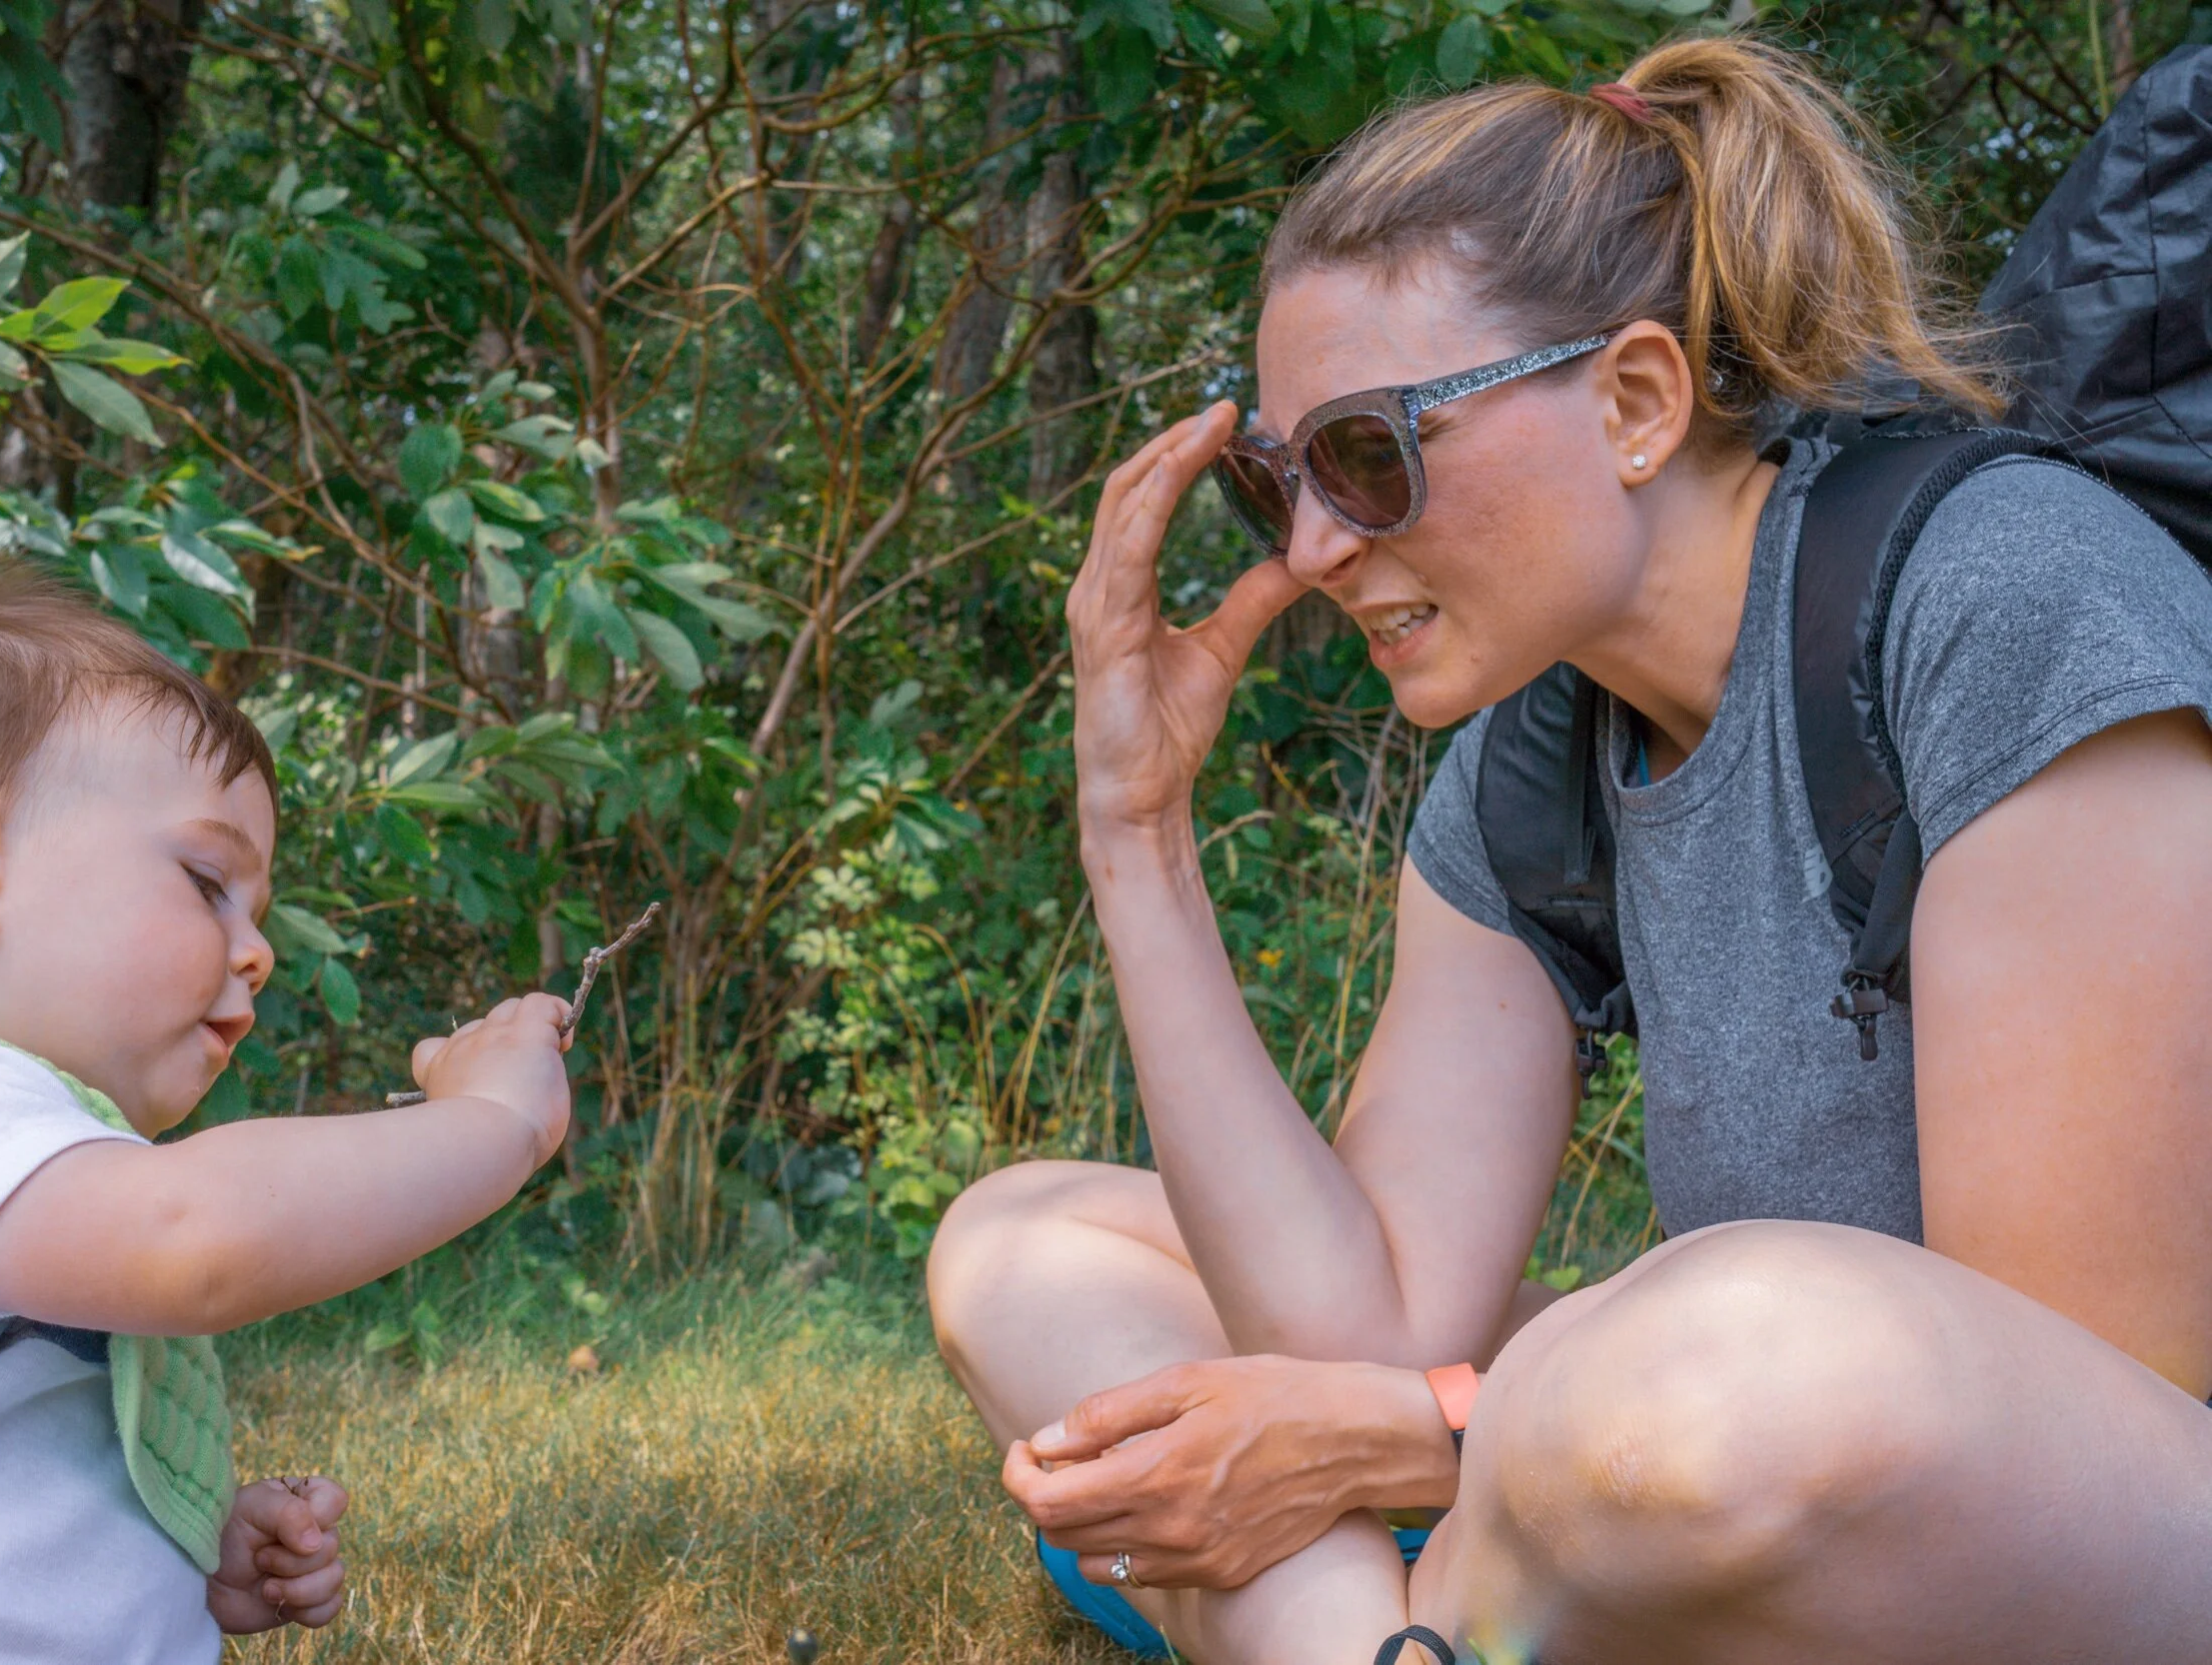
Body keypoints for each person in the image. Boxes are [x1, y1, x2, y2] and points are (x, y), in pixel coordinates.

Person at [927, 35, 2212, 1665]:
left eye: (1369, 455)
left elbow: (2083, 1390)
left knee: (1709, 1351)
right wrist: (1136, 830)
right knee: (1025, 1245)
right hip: (1706, 1446)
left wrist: (1428, 1433)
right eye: (1279, 481)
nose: (1314, 549)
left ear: (1635, 401)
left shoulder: (2005, 598)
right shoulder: (1534, 761)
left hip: (2073, 1509)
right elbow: (1352, 1329)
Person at [0, 561, 576, 1663]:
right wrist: (493, 1124)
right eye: (208, 882)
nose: (257, 953)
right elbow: (192, 1239)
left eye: (256, 913)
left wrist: (176, 1547)